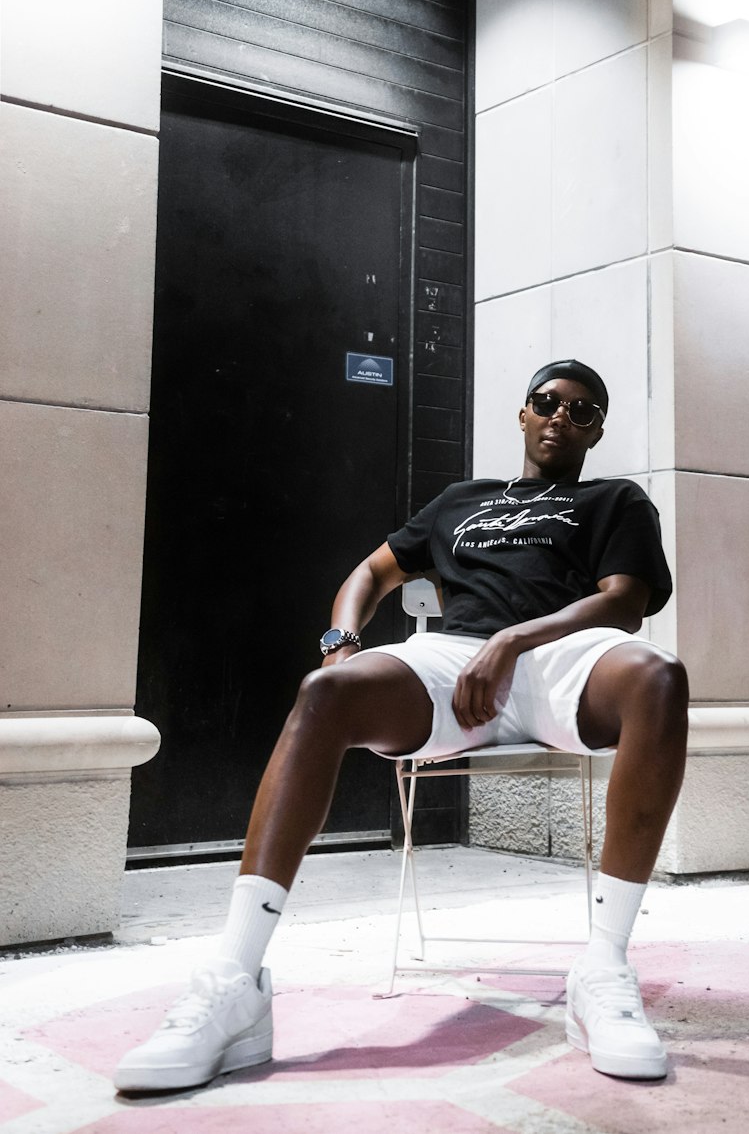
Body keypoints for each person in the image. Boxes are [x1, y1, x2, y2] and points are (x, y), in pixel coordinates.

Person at [115, 358, 689, 1091]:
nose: (559, 417)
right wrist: (341, 645)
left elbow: (625, 603)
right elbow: (369, 573)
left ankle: (603, 969)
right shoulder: (461, 500)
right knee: (324, 694)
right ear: (522, 413)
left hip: (560, 656)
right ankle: (235, 982)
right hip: (451, 661)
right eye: (546, 402)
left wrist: (514, 640)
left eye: (580, 411)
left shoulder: (614, 500)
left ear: (597, 429)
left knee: (660, 678)